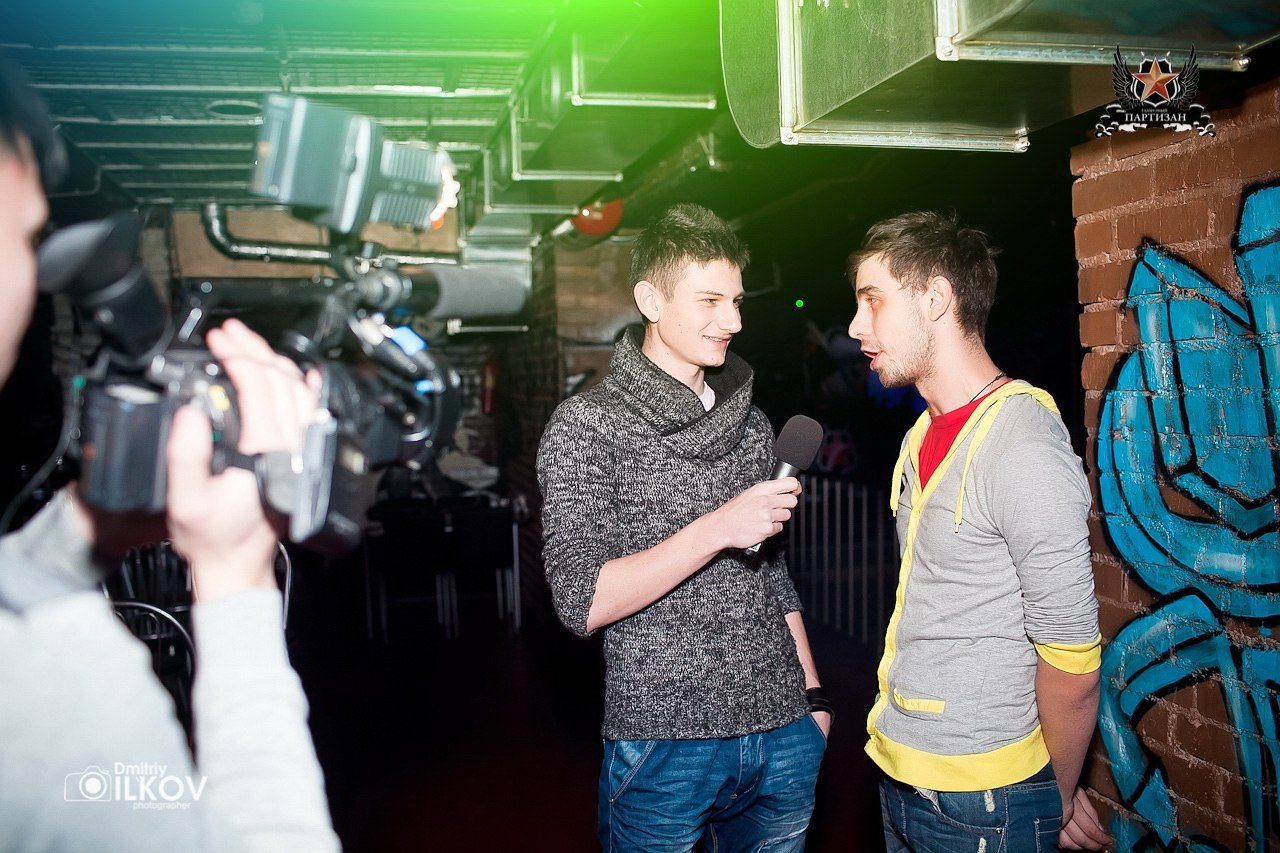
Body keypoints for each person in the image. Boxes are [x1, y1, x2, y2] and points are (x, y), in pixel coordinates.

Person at [0, 54, 339, 851]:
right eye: (22, 234)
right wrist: (237, 580)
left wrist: (91, 525)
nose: (31, 272)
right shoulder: (58, 681)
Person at [537, 203, 829, 851]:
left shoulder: (753, 425)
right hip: (665, 740)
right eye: (710, 301)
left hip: (783, 727)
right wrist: (719, 526)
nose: (734, 321)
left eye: (737, 301)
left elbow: (772, 573)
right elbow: (581, 602)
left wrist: (813, 699)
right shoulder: (587, 426)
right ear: (651, 300)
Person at [846, 211, 1112, 852]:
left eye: (872, 301)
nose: (855, 326)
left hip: (987, 798)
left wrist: (1052, 798)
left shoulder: (1021, 443)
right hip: (901, 772)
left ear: (935, 298)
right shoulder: (918, 436)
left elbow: (1072, 660)